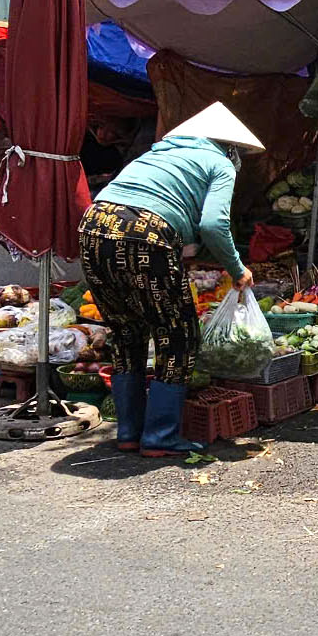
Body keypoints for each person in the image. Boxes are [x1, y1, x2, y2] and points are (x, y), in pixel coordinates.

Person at [78, 102, 261, 457]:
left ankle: (129, 432)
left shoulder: (156, 155)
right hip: (146, 231)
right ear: (230, 146)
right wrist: (238, 269)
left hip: (94, 225)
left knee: (128, 330)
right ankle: (160, 437)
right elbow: (212, 225)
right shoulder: (220, 163)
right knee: (178, 334)